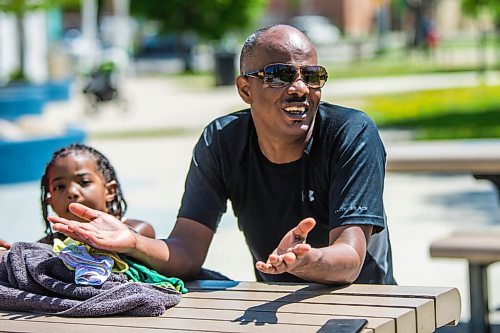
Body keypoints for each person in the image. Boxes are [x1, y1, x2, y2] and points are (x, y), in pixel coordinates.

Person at [49, 24, 395, 285]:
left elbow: (350, 258)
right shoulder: (222, 140)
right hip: (271, 308)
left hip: (364, 304)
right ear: (246, 89)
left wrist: (306, 260)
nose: (300, 88)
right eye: (280, 75)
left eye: (312, 76)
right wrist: (132, 242)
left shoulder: (351, 133)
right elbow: (186, 251)